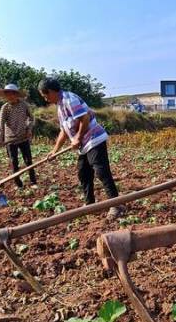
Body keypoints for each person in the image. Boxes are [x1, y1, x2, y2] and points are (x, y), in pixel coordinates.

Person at [39, 77, 122, 219]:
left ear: (52, 91)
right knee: (83, 174)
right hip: (84, 145)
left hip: (94, 139)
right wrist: (54, 151)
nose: (46, 99)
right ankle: (90, 204)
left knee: (101, 172)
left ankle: (116, 205)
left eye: (45, 96)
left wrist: (77, 137)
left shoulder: (69, 100)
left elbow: (85, 119)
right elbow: (64, 131)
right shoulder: (60, 106)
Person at [0, 83, 36, 188]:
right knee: (14, 162)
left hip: (23, 137)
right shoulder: (5, 108)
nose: (10, 96)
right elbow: (1, 125)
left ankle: (33, 182)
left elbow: (31, 118)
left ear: (16, 94)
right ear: (5, 96)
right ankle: (19, 184)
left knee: (28, 160)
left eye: (12, 94)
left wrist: (29, 129)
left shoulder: (24, 105)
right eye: (7, 94)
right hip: (10, 139)